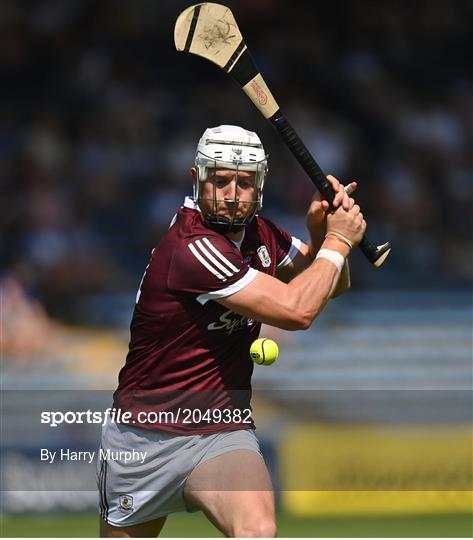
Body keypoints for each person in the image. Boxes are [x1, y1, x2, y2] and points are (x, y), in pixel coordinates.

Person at [97, 125, 366, 537]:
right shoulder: (193, 248)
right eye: (220, 180)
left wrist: (321, 234)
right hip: (144, 439)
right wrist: (338, 241)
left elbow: (333, 285)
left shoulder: (261, 234)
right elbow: (298, 311)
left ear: (259, 184)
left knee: (258, 531)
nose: (231, 193)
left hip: (221, 428)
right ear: (197, 178)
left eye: (244, 182)